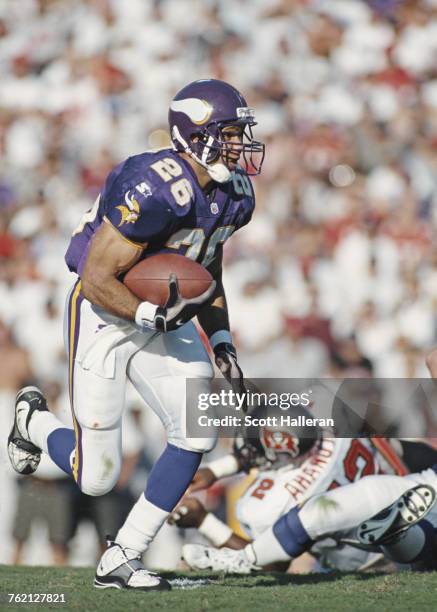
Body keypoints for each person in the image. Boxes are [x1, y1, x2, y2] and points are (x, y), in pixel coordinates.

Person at [7, 78, 265, 591]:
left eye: (241, 134)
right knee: (96, 477)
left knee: (196, 428)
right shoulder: (152, 187)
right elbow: (96, 278)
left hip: (162, 314)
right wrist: (149, 316)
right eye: (229, 133)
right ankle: (34, 422)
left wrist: (222, 345)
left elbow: (207, 269)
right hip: (106, 314)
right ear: (194, 135)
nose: (240, 145)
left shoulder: (235, 196)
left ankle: (122, 555)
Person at [171, 405, 410, 572]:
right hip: (408, 507)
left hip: (371, 563)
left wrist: (203, 521)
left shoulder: (269, 503)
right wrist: (217, 470)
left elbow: (270, 563)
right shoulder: (330, 428)